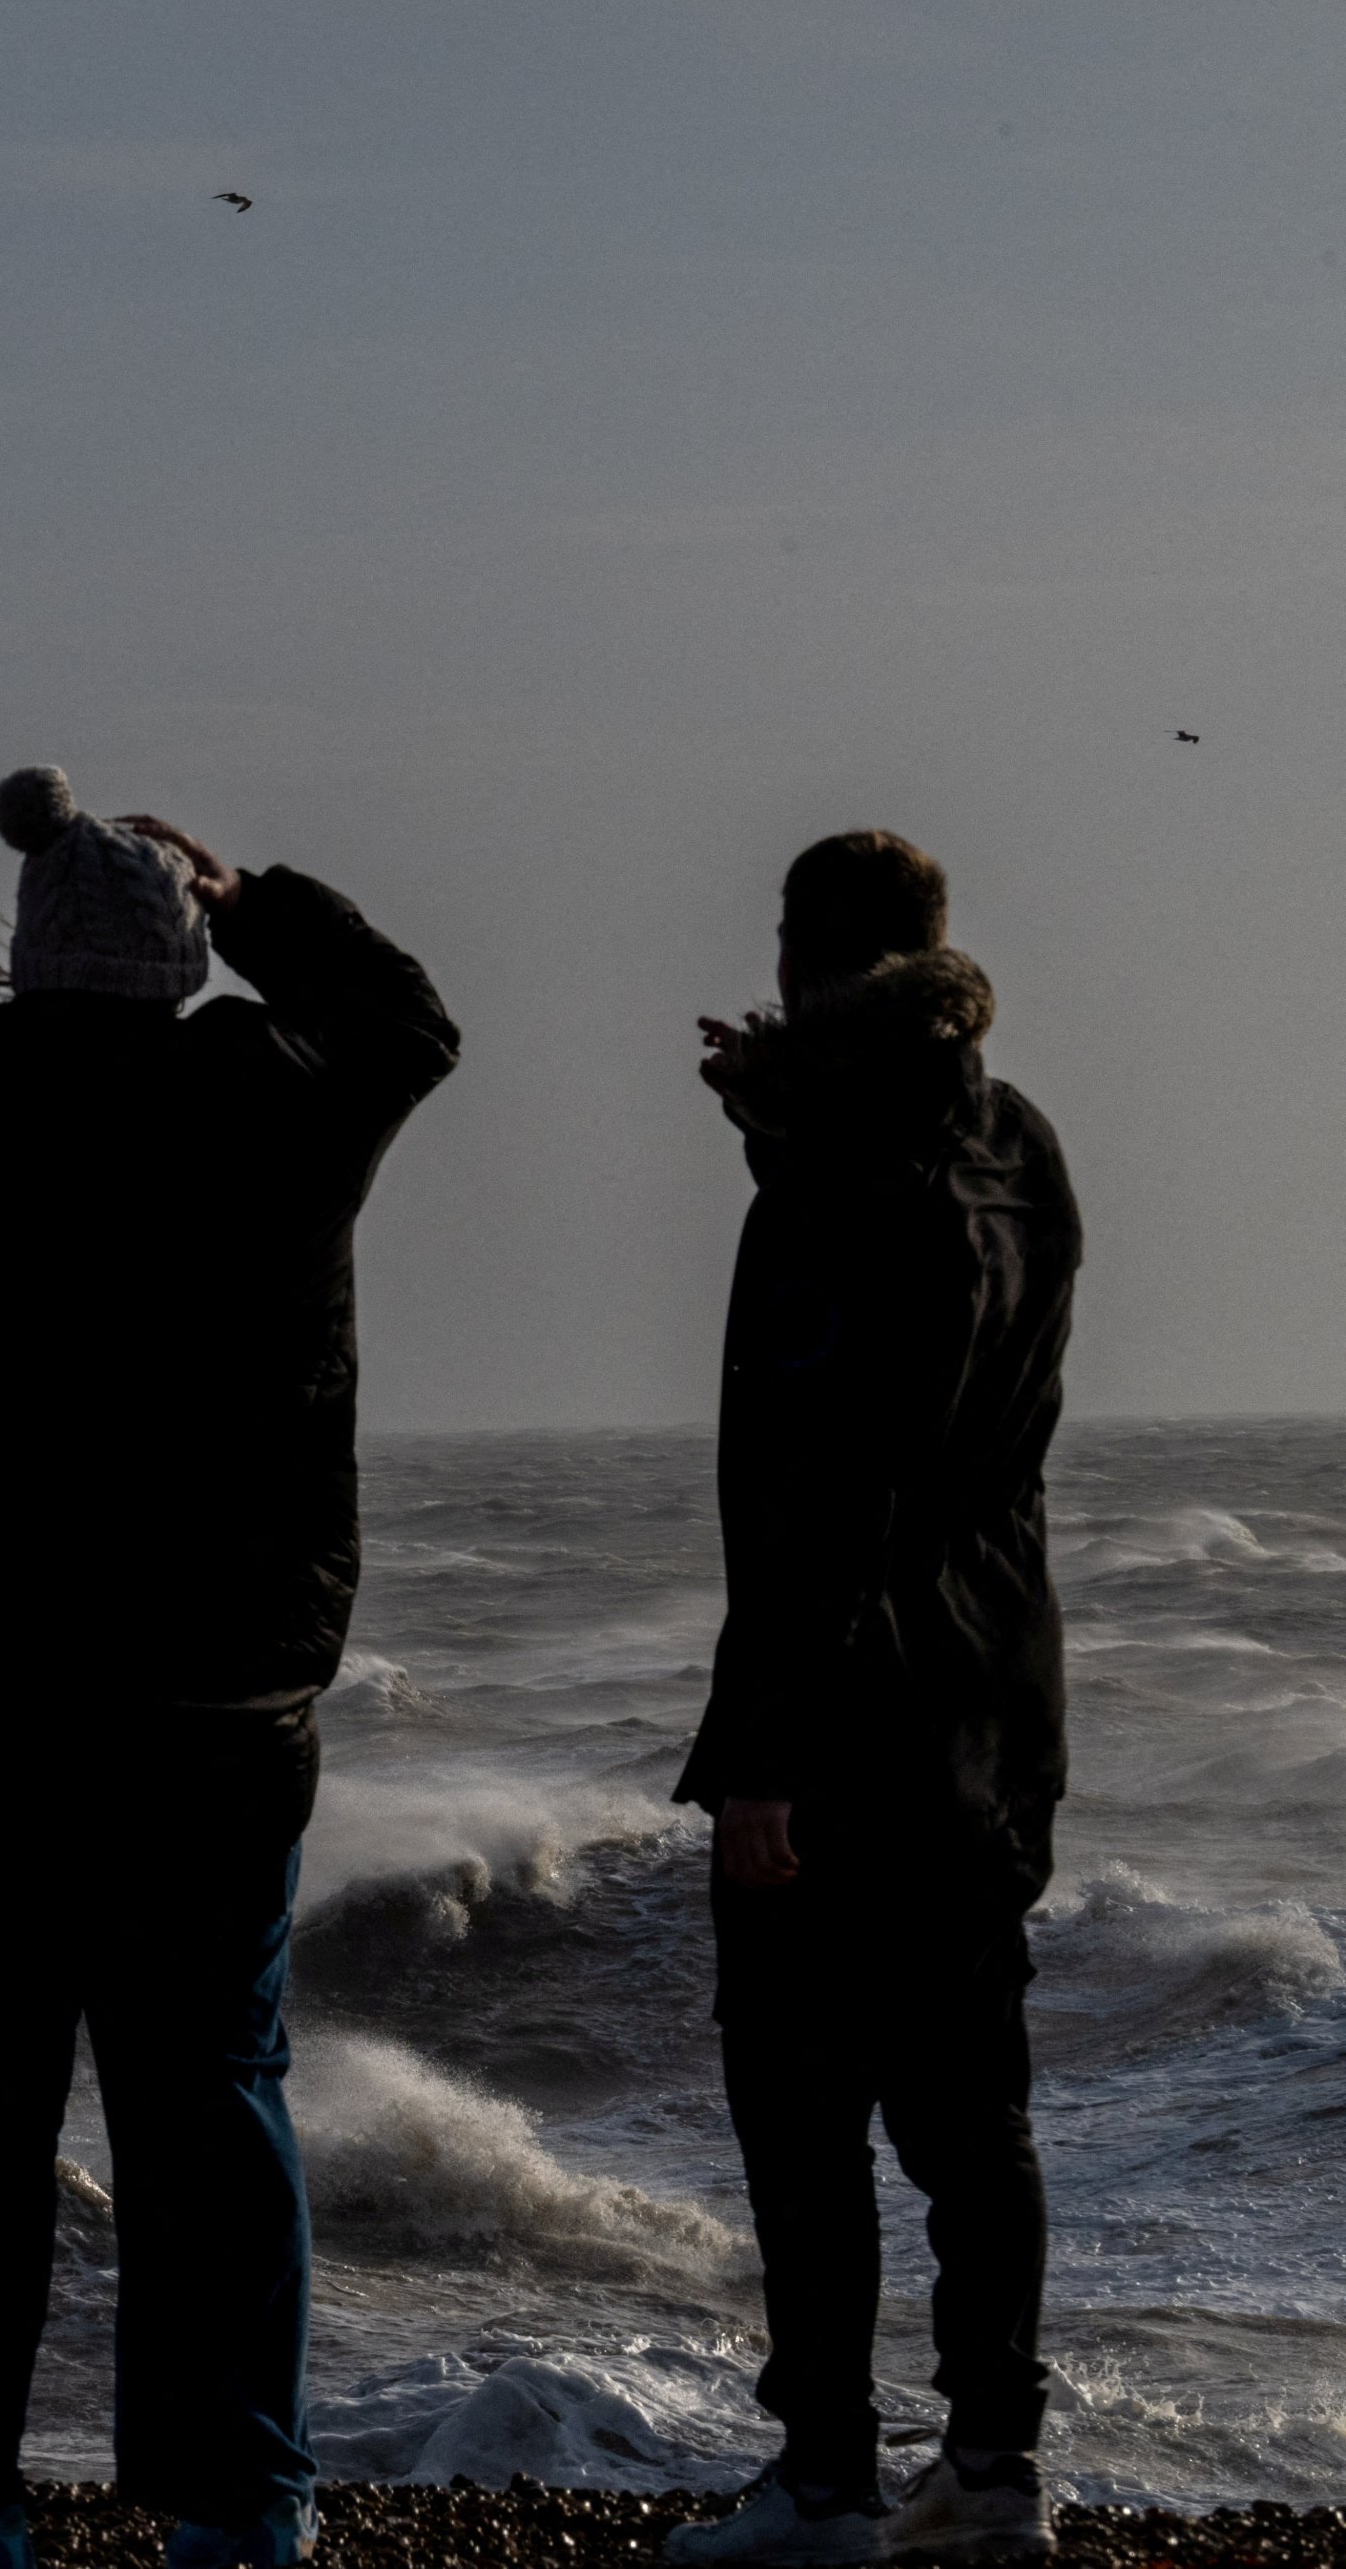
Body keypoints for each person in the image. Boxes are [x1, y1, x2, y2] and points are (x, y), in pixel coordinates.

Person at [0, 767, 458, 2569]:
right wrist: (247, 894)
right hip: (215, 1708)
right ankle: (239, 2501)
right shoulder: (279, 1101)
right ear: (182, 970)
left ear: (31, 970)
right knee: (210, 2101)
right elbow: (411, 1018)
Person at [661, 832, 1080, 2568]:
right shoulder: (1012, 1139)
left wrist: (758, 1753)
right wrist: (787, 1115)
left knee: (803, 2106)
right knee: (975, 2111)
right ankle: (992, 2469)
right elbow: (951, 1367)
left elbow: (824, 1490)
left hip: (850, 1712)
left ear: (803, 962)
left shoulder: (840, 1183)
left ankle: (825, 2479)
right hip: (996, 1693)